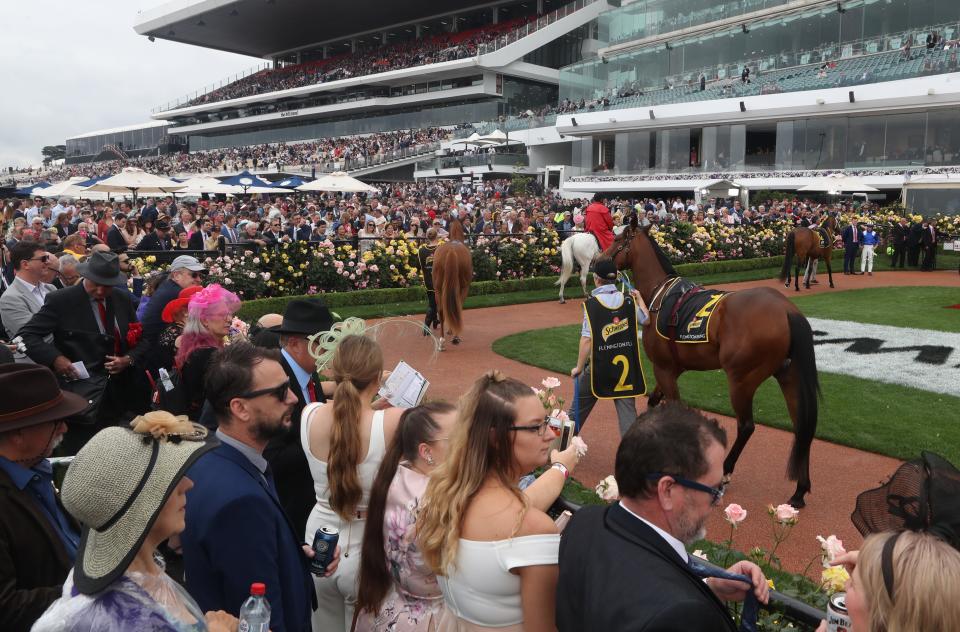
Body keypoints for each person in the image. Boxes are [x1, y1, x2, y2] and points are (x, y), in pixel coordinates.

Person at [556, 401, 769, 631]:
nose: (720, 501)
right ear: (667, 490)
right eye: (714, 490)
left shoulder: (587, 522)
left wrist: (708, 587)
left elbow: (627, 588)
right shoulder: (683, 615)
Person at [181, 343, 337, 632]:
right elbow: (263, 618)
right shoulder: (240, 503)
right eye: (279, 392)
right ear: (240, 408)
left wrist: (291, 553)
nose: (292, 398)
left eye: (288, 387)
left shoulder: (213, 458)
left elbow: (237, 559)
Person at [33, 414, 240, 632]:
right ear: (142, 505)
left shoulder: (144, 575)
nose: (188, 484)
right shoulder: (121, 617)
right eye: (170, 480)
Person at [301, 334, 403, 631]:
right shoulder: (394, 420)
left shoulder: (309, 414)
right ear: (376, 378)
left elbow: (348, 423)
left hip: (318, 535)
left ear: (333, 372)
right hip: (369, 540)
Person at [19, 251, 152, 449]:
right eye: (95, 284)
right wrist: (56, 359)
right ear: (85, 277)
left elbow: (142, 339)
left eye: (106, 286)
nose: (100, 291)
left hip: (122, 395)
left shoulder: (121, 299)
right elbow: (27, 336)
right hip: (82, 395)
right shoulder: (61, 300)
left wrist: (128, 359)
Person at [0, 364, 89, 632]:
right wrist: (87, 590)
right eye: (53, 420)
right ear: (18, 433)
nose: (64, 427)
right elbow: (5, 607)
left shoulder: (34, 470)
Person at [355, 402, 458, 632]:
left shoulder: (396, 473)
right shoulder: (435, 501)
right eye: (458, 438)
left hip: (389, 607)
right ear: (426, 452)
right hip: (430, 620)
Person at [264, 298, 336, 540]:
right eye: (323, 343)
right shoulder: (274, 379)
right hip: (289, 504)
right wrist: (324, 437)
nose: (329, 349)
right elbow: (272, 457)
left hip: (309, 495)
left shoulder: (307, 370)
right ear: (295, 344)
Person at [568, 257, 648, 437]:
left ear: (596, 278)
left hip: (599, 368)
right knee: (628, 418)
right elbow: (646, 319)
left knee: (576, 411)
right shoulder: (628, 299)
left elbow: (586, 339)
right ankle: (635, 458)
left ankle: (557, 449)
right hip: (626, 373)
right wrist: (640, 299)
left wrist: (579, 368)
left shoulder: (592, 304)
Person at [174, 283, 241, 421]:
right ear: (204, 320)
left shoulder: (197, 346)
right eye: (222, 315)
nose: (229, 319)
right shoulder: (207, 354)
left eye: (229, 314)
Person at [141, 255, 206, 366]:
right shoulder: (175, 293)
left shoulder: (169, 287)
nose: (199, 279)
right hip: (158, 361)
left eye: (200, 275)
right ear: (176, 275)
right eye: (194, 275)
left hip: (153, 354)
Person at [0, 241, 55, 341]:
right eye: (43, 259)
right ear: (25, 264)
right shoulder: (10, 298)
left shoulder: (50, 288)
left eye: (47, 258)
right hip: (33, 356)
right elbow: (33, 335)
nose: (48, 262)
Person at [157, 285, 204, 373]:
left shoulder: (175, 328)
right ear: (185, 312)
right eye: (202, 308)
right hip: (177, 384)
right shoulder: (182, 336)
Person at [416, 228, 440, 333]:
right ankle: (426, 328)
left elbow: (418, 266)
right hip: (440, 281)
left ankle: (435, 320)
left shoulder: (421, 250)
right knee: (434, 305)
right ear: (437, 236)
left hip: (428, 281)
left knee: (433, 302)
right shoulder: (441, 248)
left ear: (427, 237)